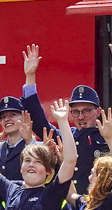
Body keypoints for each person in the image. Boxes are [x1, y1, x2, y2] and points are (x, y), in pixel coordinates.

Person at [19, 43, 106, 192]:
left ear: (98, 112)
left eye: (86, 111)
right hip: (69, 204)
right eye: (76, 112)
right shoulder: (65, 136)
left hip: (96, 204)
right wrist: (30, 77)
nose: (80, 116)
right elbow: (40, 123)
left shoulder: (107, 137)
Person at [0, 96, 29, 180]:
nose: (6, 119)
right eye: (3, 117)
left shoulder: (33, 147)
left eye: (12, 115)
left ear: (24, 118)